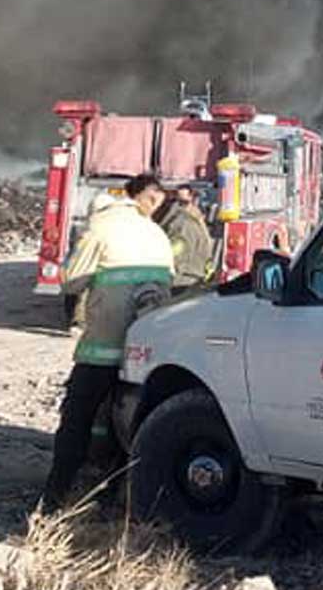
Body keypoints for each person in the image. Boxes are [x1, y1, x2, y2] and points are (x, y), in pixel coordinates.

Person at [42, 172, 172, 512]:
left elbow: (70, 281)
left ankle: (55, 499)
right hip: (146, 357)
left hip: (101, 351)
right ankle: (117, 499)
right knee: (124, 427)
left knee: (77, 422)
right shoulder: (157, 233)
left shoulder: (100, 228)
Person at [158, 184, 215, 292]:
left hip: (182, 281)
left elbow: (175, 253)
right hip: (192, 279)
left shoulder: (182, 225)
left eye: (183, 203)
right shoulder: (190, 221)